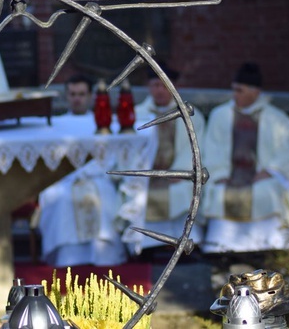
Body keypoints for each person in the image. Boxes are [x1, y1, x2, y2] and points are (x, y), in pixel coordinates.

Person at [201, 62, 289, 254]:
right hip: (229, 174)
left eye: (240, 91)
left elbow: (286, 155)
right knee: (219, 192)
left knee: (267, 191)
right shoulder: (220, 115)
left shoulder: (278, 119)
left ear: (255, 92)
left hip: (260, 176)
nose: (235, 95)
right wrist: (219, 173)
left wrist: (269, 171)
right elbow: (211, 149)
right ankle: (221, 247)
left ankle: (269, 245)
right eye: (234, 90)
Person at [37, 73, 127, 267]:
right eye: (72, 94)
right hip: (64, 180)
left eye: (81, 94)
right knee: (60, 199)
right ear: (67, 96)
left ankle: (104, 257)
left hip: (97, 177)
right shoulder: (55, 125)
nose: (77, 99)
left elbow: (110, 158)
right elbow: (50, 160)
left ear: (90, 97)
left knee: (103, 197)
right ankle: (66, 258)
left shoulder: (104, 123)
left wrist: (86, 173)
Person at [118, 62, 206, 257]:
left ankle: (183, 244)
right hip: (146, 177)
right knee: (138, 195)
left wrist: (180, 172)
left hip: (177, 175)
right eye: (154, 85)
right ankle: (144, 246)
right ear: (148, 88)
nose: (159, 90)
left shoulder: (191, 115)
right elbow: (129, 150)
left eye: (163, 85)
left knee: (182, 192)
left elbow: (196, 148)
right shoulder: (137, 115)